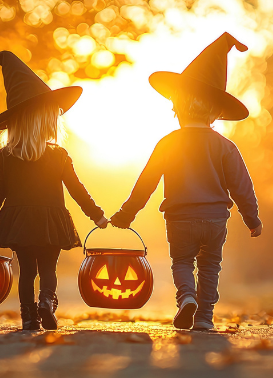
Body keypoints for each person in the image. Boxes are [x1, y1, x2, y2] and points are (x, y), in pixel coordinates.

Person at [110, 33, 262, 331]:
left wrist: (126, 215)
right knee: (209, 265)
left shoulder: (168, 143)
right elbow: (242, 185)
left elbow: (147, 182)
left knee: (182, 261)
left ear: (177, 107)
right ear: (216, 112)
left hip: (179, 217)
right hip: (215, 218)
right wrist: (252, 218)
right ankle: (205, 317)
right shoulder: (224, 146)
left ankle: (186, 298)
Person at [0, 51, 109, 331]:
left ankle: (28, 317)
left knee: (27, 272)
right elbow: (77, 189)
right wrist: (96, 215)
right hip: (51, 220)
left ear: (16, 122)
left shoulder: (5, 156)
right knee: (49, 269)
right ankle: (46, 301)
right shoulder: (59, 155)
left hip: (19, 221)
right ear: (47, 120)